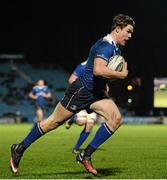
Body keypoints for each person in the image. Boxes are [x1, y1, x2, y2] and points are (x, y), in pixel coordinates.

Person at [9, 14, 135, 176]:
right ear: (118, 29)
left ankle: (85, 154)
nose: (130, 36)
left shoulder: (117, 47)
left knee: (116, 119)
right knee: (52, 123)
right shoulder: (105, 46)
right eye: (128, 31)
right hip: (81, 91)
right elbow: (98, 70)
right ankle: (19, 148)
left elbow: (102, 72)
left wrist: (106, 84)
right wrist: (121, 75)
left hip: (96, 93)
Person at [65, 61, 99, 154]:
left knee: (90, 124)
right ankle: (72, 119)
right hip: (82, 98)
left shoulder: (100, 65)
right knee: (81, 122)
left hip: (93, 100)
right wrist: (83, 89)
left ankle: (76, 148)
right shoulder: (83, 66)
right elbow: (71, 80)